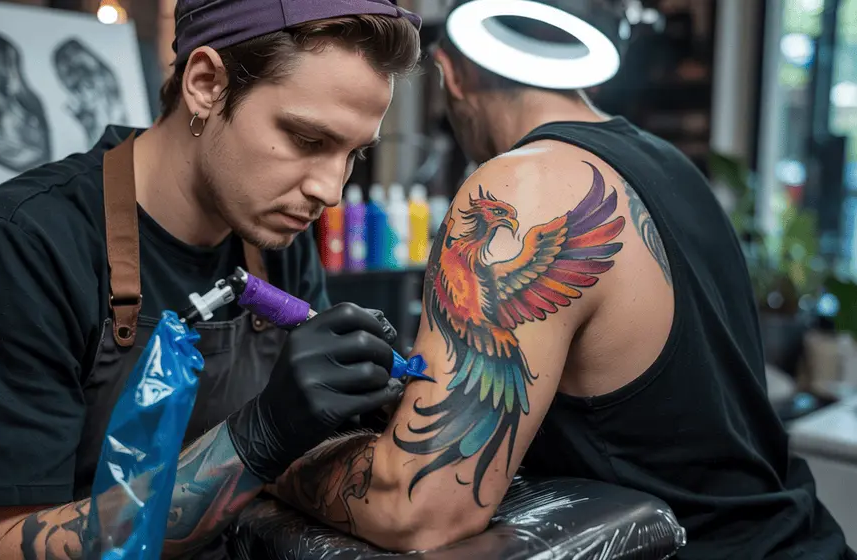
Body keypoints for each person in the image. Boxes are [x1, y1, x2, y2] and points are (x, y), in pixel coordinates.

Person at [263, 8, 857, 560]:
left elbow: (416, 506)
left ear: (452, 73)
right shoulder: (673, 166)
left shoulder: (526, 187)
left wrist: (274, 449)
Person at [0, 1, 422, 558]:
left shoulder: (276, 239)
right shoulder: (21, 249)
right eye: (307, 139)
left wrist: (351, 409)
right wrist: (257, 438)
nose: (330, 190)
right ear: (205, 85)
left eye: (353, 154)